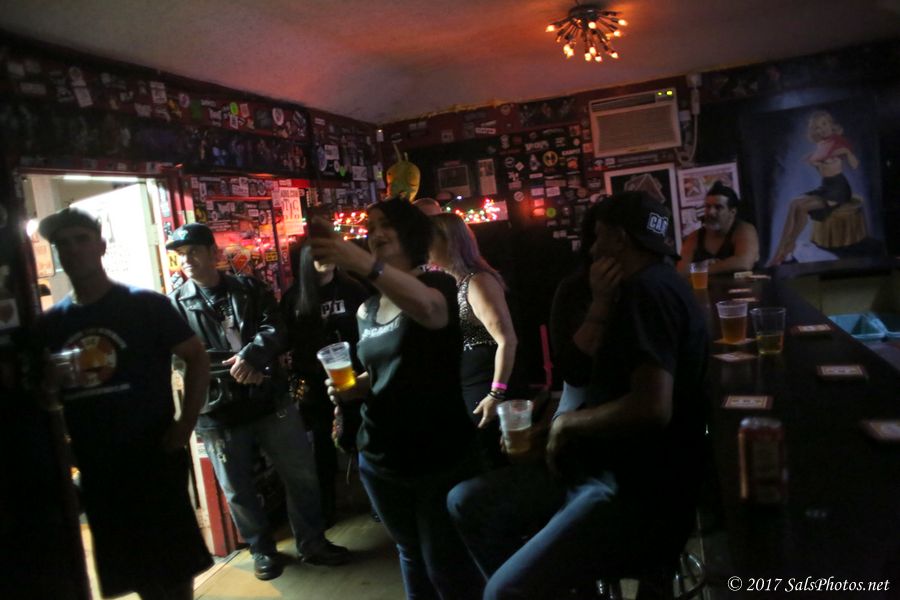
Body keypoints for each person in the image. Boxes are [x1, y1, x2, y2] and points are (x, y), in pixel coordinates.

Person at [447, 191, 709, 600]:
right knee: (465, 500)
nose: (592, 247)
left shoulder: (646, 292)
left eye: (599, 236)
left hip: (629, 485)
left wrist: (567, 424)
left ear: (619, 238)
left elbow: (652, 407)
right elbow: (582, 376)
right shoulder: (660, 281)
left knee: (503, 591)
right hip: (599, 465)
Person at [310, 198, 484, 599]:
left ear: (411, 232)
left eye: (385, 224)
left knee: (446, 565)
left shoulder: (438, 285)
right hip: (380, 457)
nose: (376, 234)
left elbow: (431, 312)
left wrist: (364, 263)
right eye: (370, 228)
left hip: (436, 456)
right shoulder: (367, 308)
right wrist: (355, 387)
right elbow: (383, 370)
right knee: (409, 553)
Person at [35, 207, 212, 600]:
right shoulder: (51, 325)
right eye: (63, 244)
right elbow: (46, 399)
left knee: (174, 569)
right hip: (99, 469)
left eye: (81, 239)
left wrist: (185, 425)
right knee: (135, 574)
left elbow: (197, 357)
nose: (73, 249)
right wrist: (49, 393)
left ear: (101, 246)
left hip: (154, 456)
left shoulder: (144, 305)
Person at [167, 223, 349, 582]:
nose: (187, 259)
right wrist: (237, 367)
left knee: (301, 473)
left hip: (269, 398)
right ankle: (262, 550)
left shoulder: (248, 288)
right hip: (217, 409)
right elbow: (181, 359)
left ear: (213, 252)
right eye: (181, 254)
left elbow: (278, 328)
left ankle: (312, 542)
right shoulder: (175, 304)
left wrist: (254, 358)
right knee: (237, 487)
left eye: (193, 251)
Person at [280, 243, 370, 526]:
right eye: (318, 256)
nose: (325, 260)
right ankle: (327, 509)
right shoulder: (295, 297)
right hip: (315, 384)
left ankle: (374, 501)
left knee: (363, 438)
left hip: (355, 378)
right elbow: (285, 338)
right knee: (322, 449)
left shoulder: (352, 288)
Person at [430, 212, 517, 469]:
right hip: (471, 385)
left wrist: (496, 392)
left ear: (448, 241)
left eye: (429, 239)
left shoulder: (478, 282)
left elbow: (507, 340)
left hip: (486, 384)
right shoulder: (453, 283)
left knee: (496, 461)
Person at [768, 110, 860, 266]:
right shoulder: (821, 145)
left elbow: (855, 165)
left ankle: (788, 246)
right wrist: (814, 161)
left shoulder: (839, 141)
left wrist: (846, 152)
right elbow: (821, 163)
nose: (822, 129)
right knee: (794, 203)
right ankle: (781, 248)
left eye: (824, 124)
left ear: (831, 124)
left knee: (802, 207)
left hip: (838, 189)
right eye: (817, 127)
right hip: (826, 186)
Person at [677, 181, 759, 275]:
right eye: (708, 207)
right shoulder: (695, 236)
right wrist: (704, 266)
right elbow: (681, 269)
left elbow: (744, 263)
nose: (711, 212)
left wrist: (700, 268)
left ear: (732, 212)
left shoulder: (744, 230)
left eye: (718, 207)